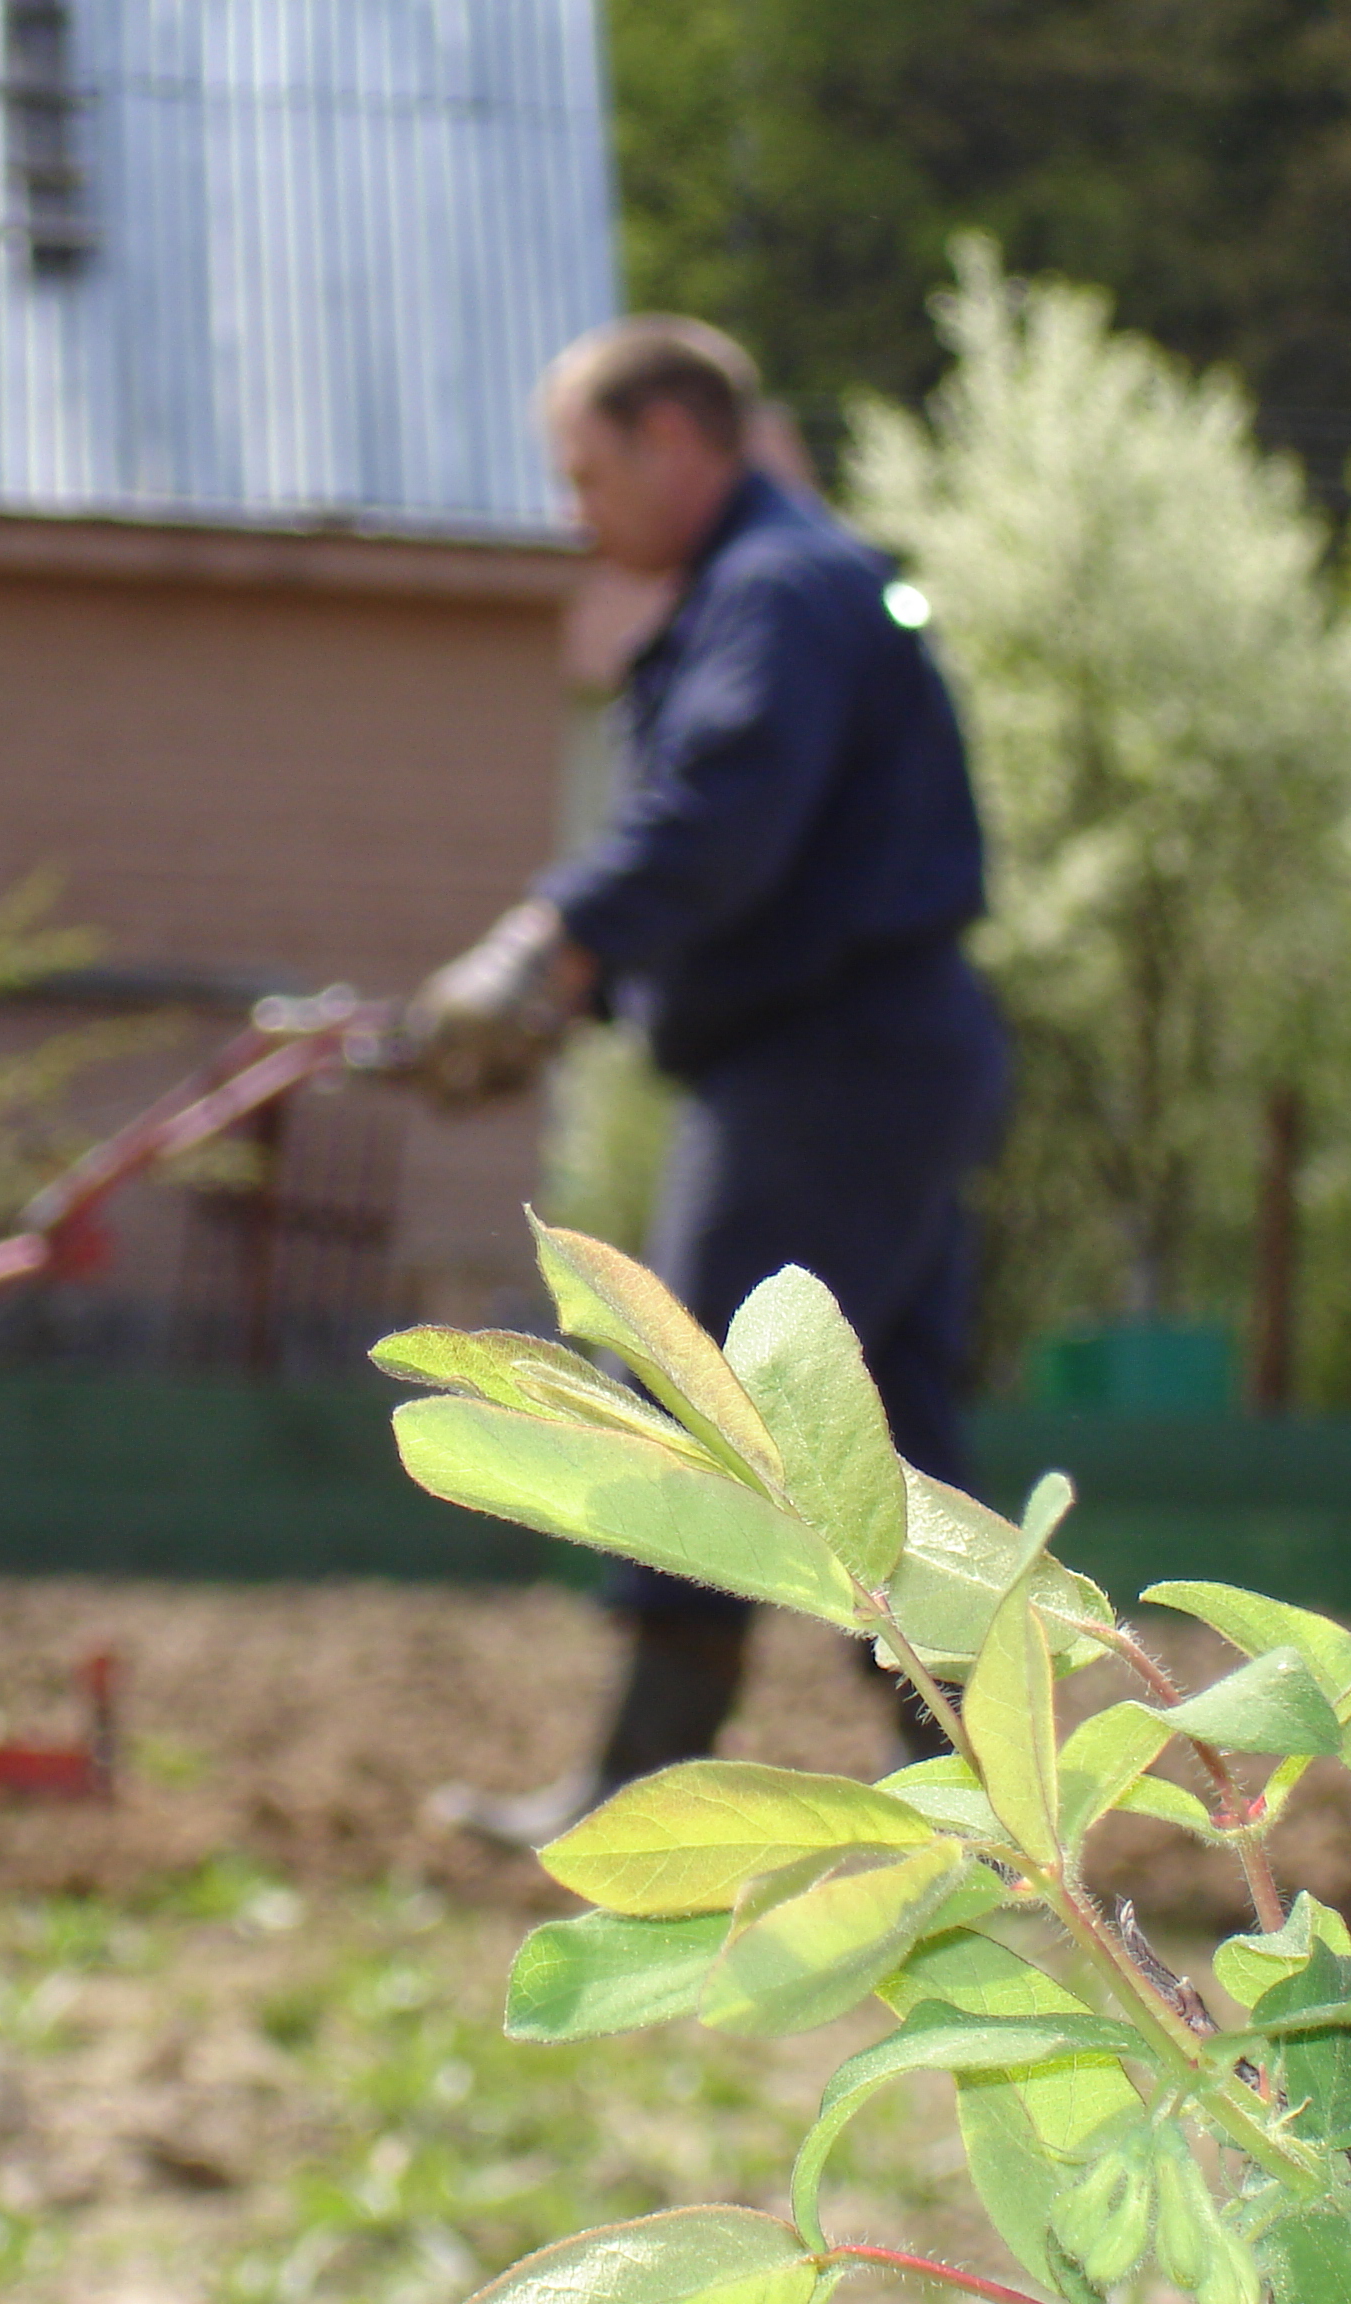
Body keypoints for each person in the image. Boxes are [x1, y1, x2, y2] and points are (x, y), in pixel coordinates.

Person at [408, 316, 1012, 1846]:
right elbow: (768, 859)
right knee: (889, 1441)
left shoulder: (774, 592)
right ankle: (989, 1801)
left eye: (588, 469)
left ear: (677, 436)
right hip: (882, 1055)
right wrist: (586, 989)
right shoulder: (791, 587)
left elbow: (725, 816)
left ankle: (639, 1791)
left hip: (828, 1066)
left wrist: (547, 945)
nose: (572, 512)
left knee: (698, 1402)